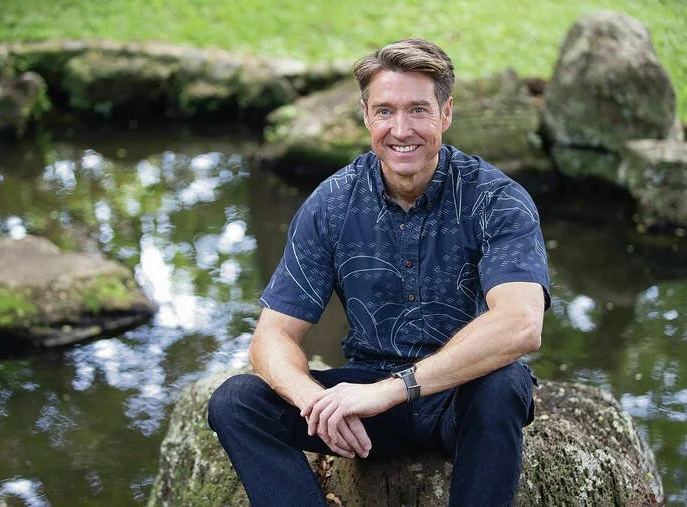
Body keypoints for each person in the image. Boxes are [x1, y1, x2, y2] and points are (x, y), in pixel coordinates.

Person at [208, 37, 551, 506]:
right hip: (367, 408)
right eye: (385, 111)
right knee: (236, 402)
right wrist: (315, 402)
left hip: (461, 397)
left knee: (504, 383)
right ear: (366, 115)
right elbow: (272, 337)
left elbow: (521, 324)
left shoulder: (496, 198)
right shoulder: (332, 203)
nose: (401, 129)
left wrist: (394, 389)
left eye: (418, 110)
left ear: (446, 113)